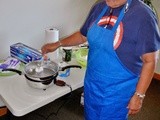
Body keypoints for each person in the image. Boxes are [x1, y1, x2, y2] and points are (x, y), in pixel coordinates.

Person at [41, 0, 160, 119]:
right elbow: (83, 35)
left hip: (117, 91)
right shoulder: (99, 7)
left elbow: (150, 61)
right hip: (92, 83)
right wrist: (58, 44)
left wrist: (139, 95)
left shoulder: (143, 15)